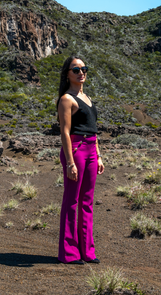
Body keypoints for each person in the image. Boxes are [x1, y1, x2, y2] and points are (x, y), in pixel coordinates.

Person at [57, 56, 104, 264]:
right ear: (67, 74)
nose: (81, 72)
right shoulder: (67, 99)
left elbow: (93, 130)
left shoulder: (87, 98)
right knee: (72, 201)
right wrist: (69, 162)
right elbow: (65, 132)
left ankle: (87, 251)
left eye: (83, 68)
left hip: (91, 149)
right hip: (76, 149)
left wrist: (99, 155)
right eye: (75, 69)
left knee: (87, 201)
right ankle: (69, 253)